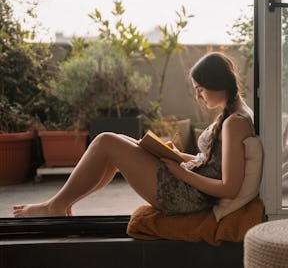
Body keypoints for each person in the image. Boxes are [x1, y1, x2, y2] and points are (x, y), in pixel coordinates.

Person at [13, 52, 255, 217]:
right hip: (191, 186)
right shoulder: (233, 113)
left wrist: (181, 172)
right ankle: (61, 203)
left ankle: (55, 205)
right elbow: (212, 164)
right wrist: (177, 155)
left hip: (188, 196)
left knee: (106, 141)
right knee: (121, 143)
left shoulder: (234, 122)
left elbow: (229, 188)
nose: (198, 97)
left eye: (200, 90)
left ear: (216, 83)